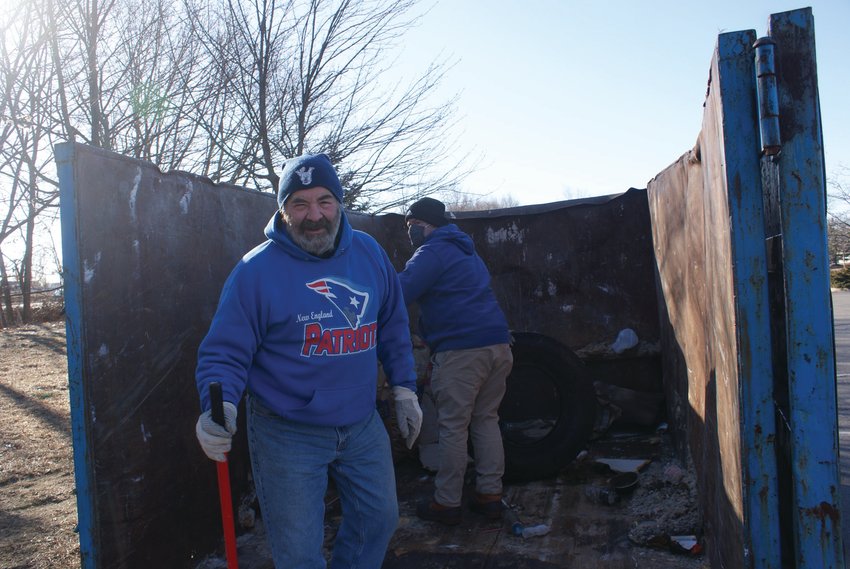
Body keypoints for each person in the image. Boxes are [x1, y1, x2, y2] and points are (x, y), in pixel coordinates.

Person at [194, 153, 423, 569]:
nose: (313, 215)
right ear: (283, 211)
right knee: (299, 551)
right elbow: (225, 350)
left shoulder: (369, 254)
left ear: (339, 203)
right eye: (299, 204)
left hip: (360, 421)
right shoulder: (255, 271)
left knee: (379, 519)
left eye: (324, 201)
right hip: (287, 430)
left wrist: (405, 387)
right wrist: (220, 404)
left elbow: (392, 323)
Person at [398, 197, 513, 525]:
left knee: (453, 426)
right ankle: (490, 495)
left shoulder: (432, 251)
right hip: (498, 344)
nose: (411, 234)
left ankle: (447, 503)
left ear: (427, 224)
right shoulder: (466, 250)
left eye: (412, 227)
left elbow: (400, 291)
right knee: (486, 419)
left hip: (462, 351)